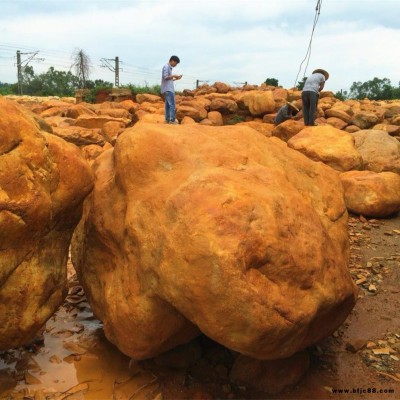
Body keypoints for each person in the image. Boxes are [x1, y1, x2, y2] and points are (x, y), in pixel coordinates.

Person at [161, 55, 182, 124]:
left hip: (167, 88)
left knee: (167, 105)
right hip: (168, 89)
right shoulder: (166, 67)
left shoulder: (168, 68)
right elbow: (165, 77)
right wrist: (174, 75)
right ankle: (172, 120)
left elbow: (168, 80)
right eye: (176, 63)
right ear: (172, 61)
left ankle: (167, 119)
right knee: (172, 104)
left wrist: (176, 78)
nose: (176, 65)